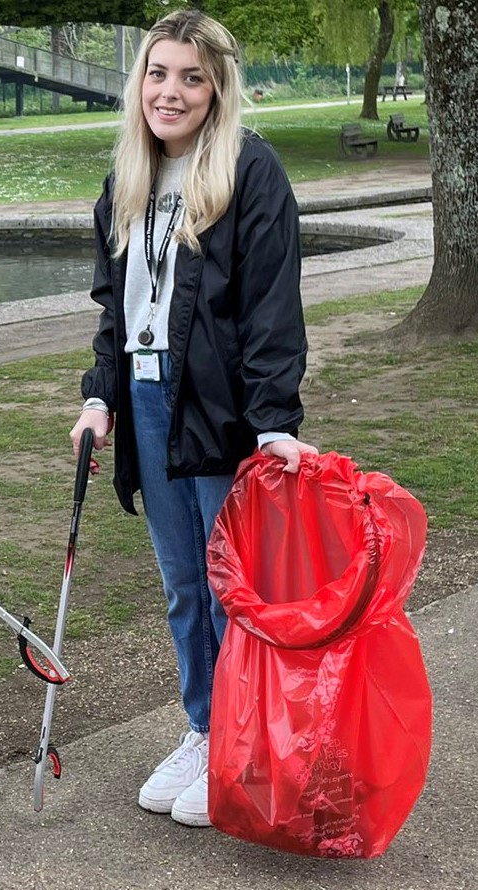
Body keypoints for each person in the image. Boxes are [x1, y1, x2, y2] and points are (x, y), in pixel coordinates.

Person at [67, 11, 315, 829]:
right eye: (157, 74)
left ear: (217, 89)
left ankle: (246, 744)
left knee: (231, 588)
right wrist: (99, 395)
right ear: (138, 84)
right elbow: (117, 307)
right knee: (182, 587)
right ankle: (206, 728)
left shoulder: (251, 173)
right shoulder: (127, 180)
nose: (170, 92)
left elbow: (273, 309)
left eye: (191, 77)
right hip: (143, 399)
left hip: (220, 408)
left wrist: (274, 421)